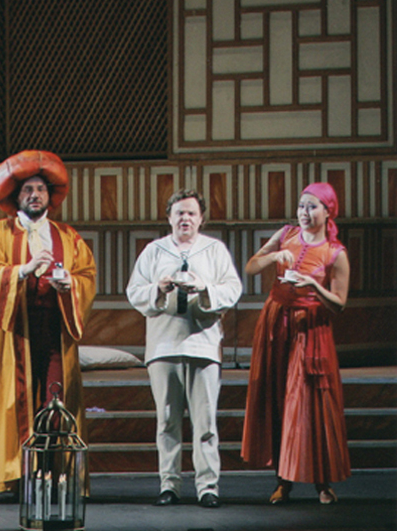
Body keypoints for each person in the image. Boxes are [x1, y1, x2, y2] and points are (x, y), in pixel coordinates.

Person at [0, 150, 96, 495]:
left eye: (40, 190)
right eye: (28, 189)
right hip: (20, 330)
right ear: (17, 195)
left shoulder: (67, 235)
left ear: (49, 197)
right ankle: (20, 476)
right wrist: (24, 271)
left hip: (57, 330)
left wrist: (70, 284)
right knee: (20, 403)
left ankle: (58, 475)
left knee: (56, 400)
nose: (34, 195)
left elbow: (86, 274)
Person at [126, 189, 241, 509]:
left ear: (201, 218)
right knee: (167, 421)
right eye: (179, 213)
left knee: (205, 423)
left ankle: (208, 487)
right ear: (169, 218)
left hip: (202, 345)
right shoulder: (154, 250)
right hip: (164, 346)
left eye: (191, 213)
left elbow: (233, 289)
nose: (185, 218)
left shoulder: (214, 250)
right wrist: (158, 289)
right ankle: (170, 484)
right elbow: (134, 292)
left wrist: (204, 289)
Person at [241, 182, 351, 505]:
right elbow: (251, 266)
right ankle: (282, 481)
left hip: (311, 330)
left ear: (328, 211)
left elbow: (340, 304)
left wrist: (314, 286)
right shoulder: (286, 233)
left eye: (313, 206)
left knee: (312, 403)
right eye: (302, 205)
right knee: (277, 397)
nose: (304, 212)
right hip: (276, 325)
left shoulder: (335, 252)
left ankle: (322, 482)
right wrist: (274, 253)